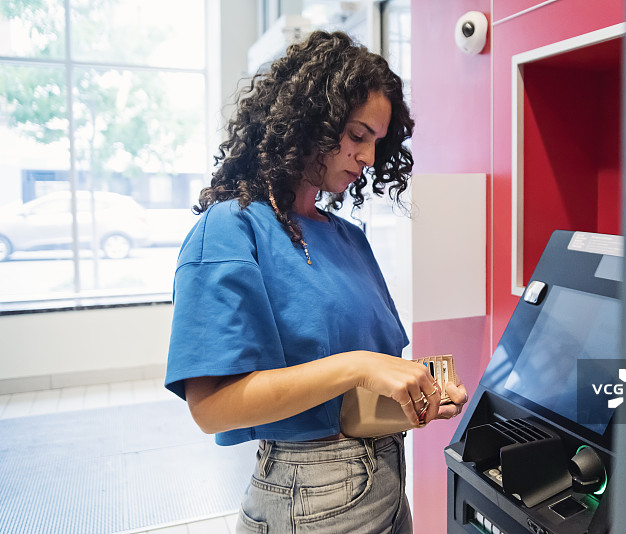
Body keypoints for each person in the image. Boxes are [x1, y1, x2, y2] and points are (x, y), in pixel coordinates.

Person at [165, 30, 468, 534]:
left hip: (388, 485)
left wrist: (415, 394)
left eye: (377, 142)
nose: (369, 158)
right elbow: (212, 407)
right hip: (309, 496)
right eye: (356, 135)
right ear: (309, 122)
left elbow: (351, 395)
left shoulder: (347, 238)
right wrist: (357, 366)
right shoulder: (230, 230)